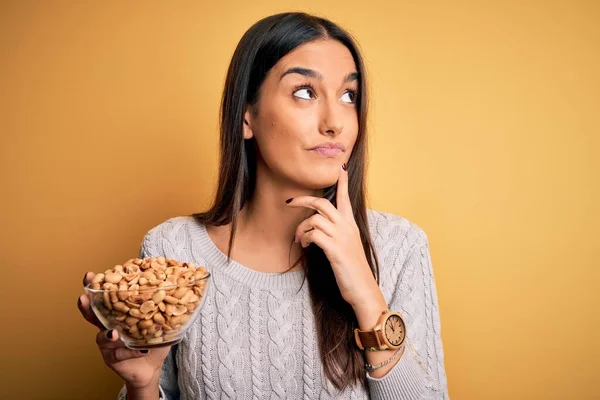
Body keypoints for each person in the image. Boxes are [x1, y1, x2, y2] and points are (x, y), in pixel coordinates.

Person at [78, 12, 449, 399]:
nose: (335, 122)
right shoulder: (174, 250)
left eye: (348, 96)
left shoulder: (399, 246)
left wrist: (367, 295)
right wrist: (142, 384)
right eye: (305, 91)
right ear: (246, 116)